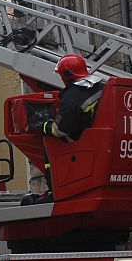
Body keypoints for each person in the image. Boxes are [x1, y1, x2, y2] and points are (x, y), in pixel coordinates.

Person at [25, 53, 105, 204]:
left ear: (66, 75)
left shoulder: (73, 95)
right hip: (96, 138)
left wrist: (43, 127)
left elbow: (61, 129)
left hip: (81, 143)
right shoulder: (99, 85)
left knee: (50, 141)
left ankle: (54, 190)